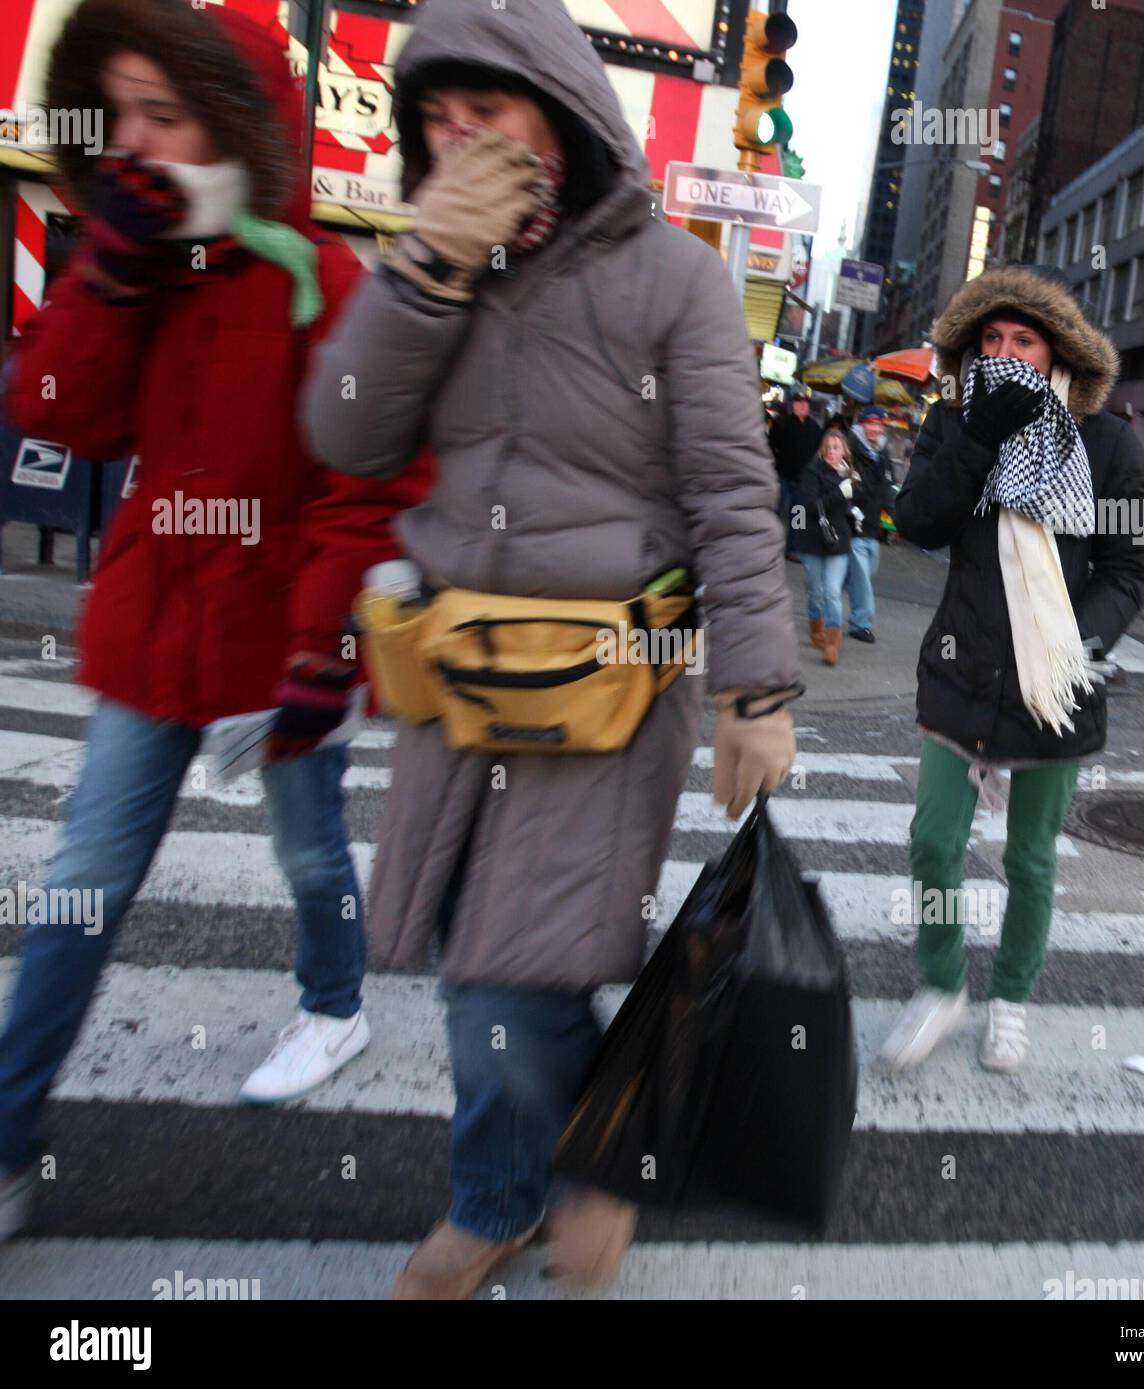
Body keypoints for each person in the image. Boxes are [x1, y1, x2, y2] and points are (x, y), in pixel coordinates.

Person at [301, 0, 800, 1300]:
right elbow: (345, 430)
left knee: (507, 966)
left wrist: (757, 683)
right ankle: (553, 1168)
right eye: (438, 122)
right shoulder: (431, 256)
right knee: (484, 957)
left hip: (604, 689)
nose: (459, 141)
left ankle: (528, 1187)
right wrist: (421, 273)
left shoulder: (678, 277)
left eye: (488, 113)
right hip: (458, 673)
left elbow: (733, 489)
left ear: (563, 114)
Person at [0, 0, 429, 1241]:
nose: (134, 143)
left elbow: (367, 488)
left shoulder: (325, 278)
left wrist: (322, 654)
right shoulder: (130, 257)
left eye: (166, 116)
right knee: (83, 882)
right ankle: (12, 1138)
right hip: (149, 635)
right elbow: (56, 412)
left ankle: (334, 1003)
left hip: (274, 648)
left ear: (234, 127)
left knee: (307, 857)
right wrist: (111, 282)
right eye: (119, 113)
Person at [884, 265, 1144, 1075]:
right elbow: (917, 521)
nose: (1003, 352)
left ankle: (1012, 999)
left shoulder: (1110, 441)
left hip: (1057, 686)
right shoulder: (953, 419)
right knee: (933, 843)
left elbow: (1128, 568)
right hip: (961, 673)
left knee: (1031, 861)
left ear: (1055, 350)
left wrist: (1080, 650)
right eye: (989, 339)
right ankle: (939, 984)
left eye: (1021, 340)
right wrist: (973, 437)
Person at [791, 426, 872, 666]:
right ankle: (816, 630)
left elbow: (854, 501)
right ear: (822, 450)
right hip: (813, 542)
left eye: (836, 448)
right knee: (816, 593)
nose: (831, 452)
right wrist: (840, 491)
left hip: (838, 542)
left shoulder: (849, 474)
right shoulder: (812, 472)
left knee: (833, 592)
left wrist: (855, 503)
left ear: (844, 450)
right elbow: (811, 506)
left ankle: (832, 644)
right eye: (828, 447)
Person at [844, 405, 896, 643]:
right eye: (871, 424)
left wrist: (896, 519)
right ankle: (860, 623)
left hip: (874, 527)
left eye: (879, 425)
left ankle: (831, 590)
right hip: (854, 524)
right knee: (863, 577)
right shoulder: (850, 448)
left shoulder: (883, 453)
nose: (875, 429)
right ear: (863, 424)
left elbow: (889, 488)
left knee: (865, 572)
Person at [768, 393, 822, 552]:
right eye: (799, 402)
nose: (803, 405)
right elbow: (771, 445)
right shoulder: (783, 423)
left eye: (806, 403)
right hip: (783, 477)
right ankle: (770, 546)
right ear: (793, 405)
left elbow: (818, 452)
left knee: (798, 517)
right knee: (776, 513)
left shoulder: (814, 427)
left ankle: (793, 548)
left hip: (803, 480)